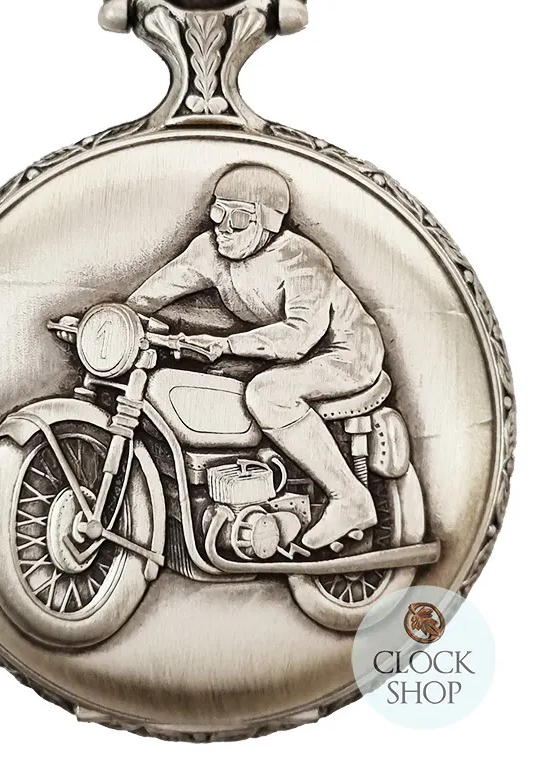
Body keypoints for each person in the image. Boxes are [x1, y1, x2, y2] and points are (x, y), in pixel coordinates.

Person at [127, 165, 385, 549]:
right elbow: (147, 298)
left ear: (267, 221)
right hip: (282, 355)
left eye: (238, 218)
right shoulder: (209, 251)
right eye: (218, 213)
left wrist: (227, 345)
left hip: (347, 352)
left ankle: (350, 498)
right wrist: (112, 324)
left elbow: (298, 337)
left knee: (267, 393)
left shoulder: (301, 260)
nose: (223, 227)